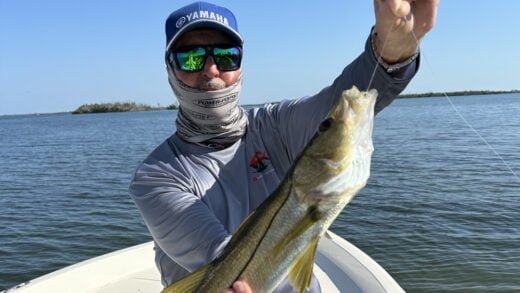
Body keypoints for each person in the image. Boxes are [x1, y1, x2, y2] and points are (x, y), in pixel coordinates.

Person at [129, 1, 439, 292]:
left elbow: (344, 96)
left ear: (240, 65)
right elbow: (220, 259)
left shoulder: (275, 124)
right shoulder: (155, 177)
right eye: (191, 57)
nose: (211, 70)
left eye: (226, 56)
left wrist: (391, 50)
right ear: (170, 68)